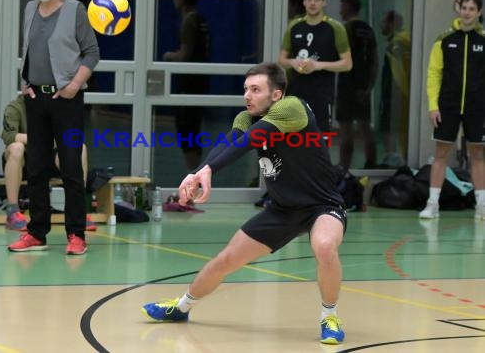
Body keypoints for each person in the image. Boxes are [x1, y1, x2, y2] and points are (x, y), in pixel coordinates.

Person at [141, 62, 347, 345]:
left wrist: (209, 170)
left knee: (324, 245)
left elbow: (252, 140)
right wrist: (199, 172)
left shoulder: (292, 107)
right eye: (246, 90)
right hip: (282, 209)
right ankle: (182, 306)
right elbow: (229, 143)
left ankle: (330, 317)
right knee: (226, 260)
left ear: (275, 95)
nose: (247, 96)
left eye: (255, 90)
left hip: (322, 206)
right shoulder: (246, 117)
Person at [8, 0, 99, 255]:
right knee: (35, 168)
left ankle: (76, 235)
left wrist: (74, 86)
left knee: (71, 167)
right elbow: (30, 50)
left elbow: (91, 53)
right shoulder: (30, 8)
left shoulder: (75, 10)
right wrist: (25, 80)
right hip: (36, 100)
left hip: (67, 101)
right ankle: (37, 232)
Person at [419, 0, 485, 220]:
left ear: (479, 12)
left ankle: (481, 205)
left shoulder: (483, 39)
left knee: (478, 154)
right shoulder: (444, 39)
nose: (467, 12)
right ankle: (432, 203)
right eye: (464, 8)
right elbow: (433, 74)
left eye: (472, 9)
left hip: (478, 107)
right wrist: (433, 105)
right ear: (459, 9)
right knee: (441, 153)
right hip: (447, 105)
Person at [1, 94, 96, 232]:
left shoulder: (57, 106)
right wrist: (39, 138)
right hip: (24, 160)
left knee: (80, 148)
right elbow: (8, 136)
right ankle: (13, 212)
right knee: (16, 147)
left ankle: (78, 212)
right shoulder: (15, 107)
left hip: (48, 157)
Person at [278, 0, 352, 135]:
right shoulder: (294, 26)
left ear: (324, 2)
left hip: (322, 96)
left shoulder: (335, 28)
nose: (312, 3)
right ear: (304, 1)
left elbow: (347, 64)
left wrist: (318, 65)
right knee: (294, 144)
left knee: (319, 146)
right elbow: (282, 60)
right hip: (296, 94)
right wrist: (293, 62)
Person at [163, 0, 210, 170]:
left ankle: (194, 174)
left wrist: (168, 56)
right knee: (193, 129)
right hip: (200, 81)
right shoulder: (200, 19)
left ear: (182, 0)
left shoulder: (189, 21)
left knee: (187, 129)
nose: (174, 0)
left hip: (190, 83)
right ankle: (196, 172)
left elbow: (184, 55)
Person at [336, 0, 378, 169]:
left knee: (345, 128)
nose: (340, 11)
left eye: (342, 7)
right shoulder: (368, 30)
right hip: (364, 87)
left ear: (349, 8)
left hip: (348, 84)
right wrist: (368, 87)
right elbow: (375, 61)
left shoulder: (346, 29)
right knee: (365, 127)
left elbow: (344, 58)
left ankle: (344, 165)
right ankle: (371, 162)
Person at [379, 10, 411, 166]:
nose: (381, 25)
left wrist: (390, 97)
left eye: (384, 22)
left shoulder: (396, 44)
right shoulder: (407, 40)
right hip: (403, 95)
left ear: (392, 24)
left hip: (395, 95)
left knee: (388, 131)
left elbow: (399, 74)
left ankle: (391, 163)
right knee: (403, 133)